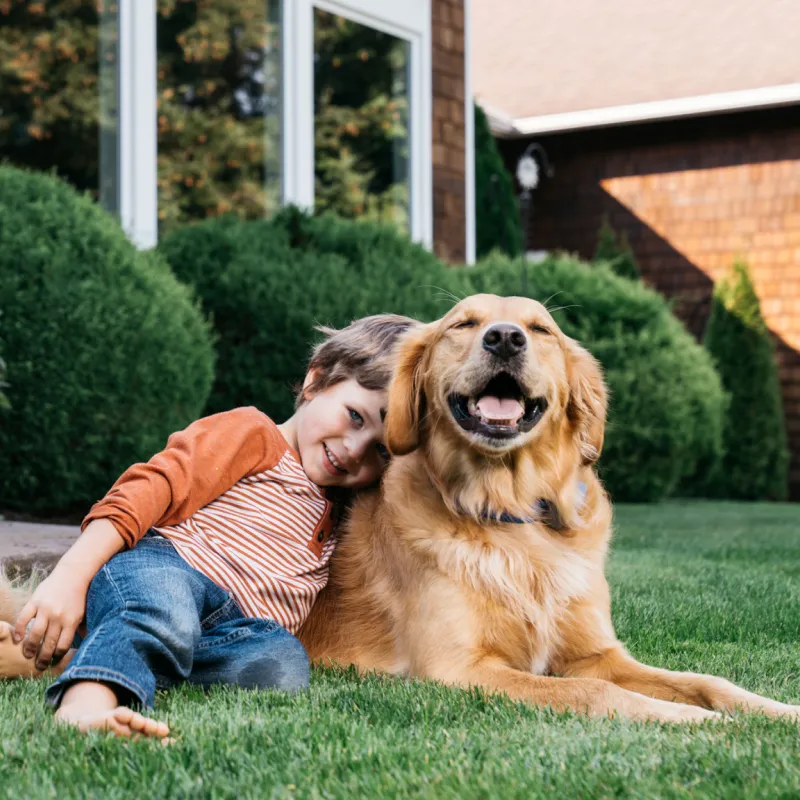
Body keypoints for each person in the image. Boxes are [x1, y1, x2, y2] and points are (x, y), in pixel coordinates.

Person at [0, 313, 417, 740]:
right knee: (166, 614)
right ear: (316, 382)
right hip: (166, 569)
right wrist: (70, 576)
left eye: (381, 452)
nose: (353, 451)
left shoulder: (347, 507)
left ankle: (73, 659)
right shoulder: (253, 434)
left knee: (282, 665)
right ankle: (84, 707)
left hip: (228, 626)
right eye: (355, 417)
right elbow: (148, 488)